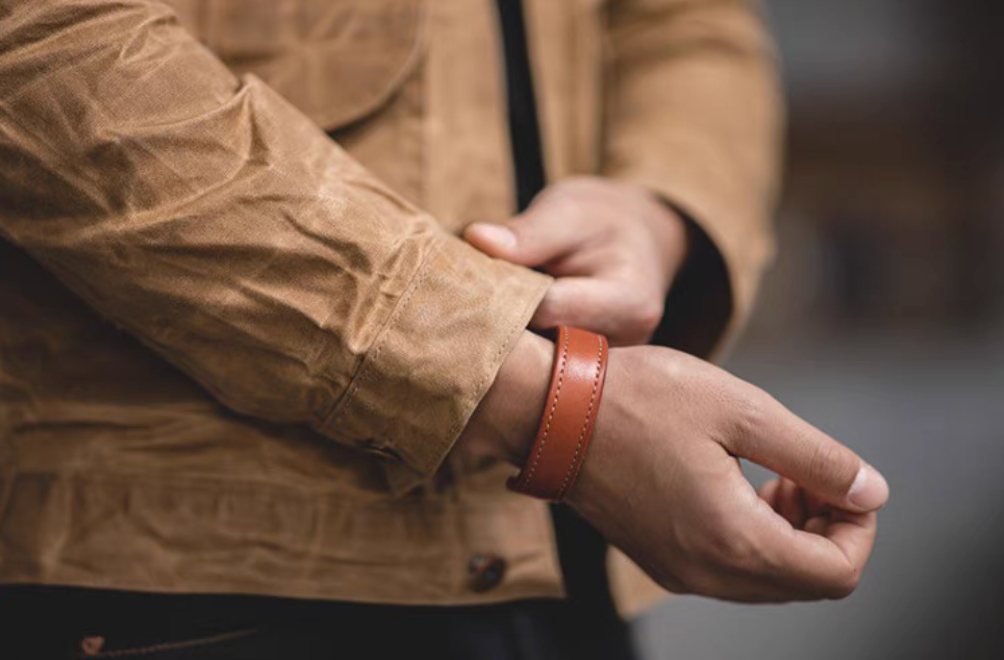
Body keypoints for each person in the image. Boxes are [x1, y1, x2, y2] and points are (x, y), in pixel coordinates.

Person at [0, 0, 888, 658]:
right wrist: (540, 403)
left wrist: (656, 209)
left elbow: (688, 23)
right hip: (189, 569)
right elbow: (37, 40)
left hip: (564, 568)